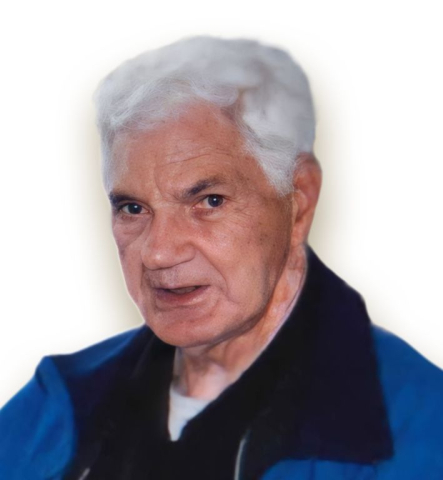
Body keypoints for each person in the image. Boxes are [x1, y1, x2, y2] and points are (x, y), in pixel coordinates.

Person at [1, 36, 442, 480]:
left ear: (298, 201)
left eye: (209, 201)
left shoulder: (416, 425)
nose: (158, 252)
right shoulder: (59, 405)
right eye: (133, 208)